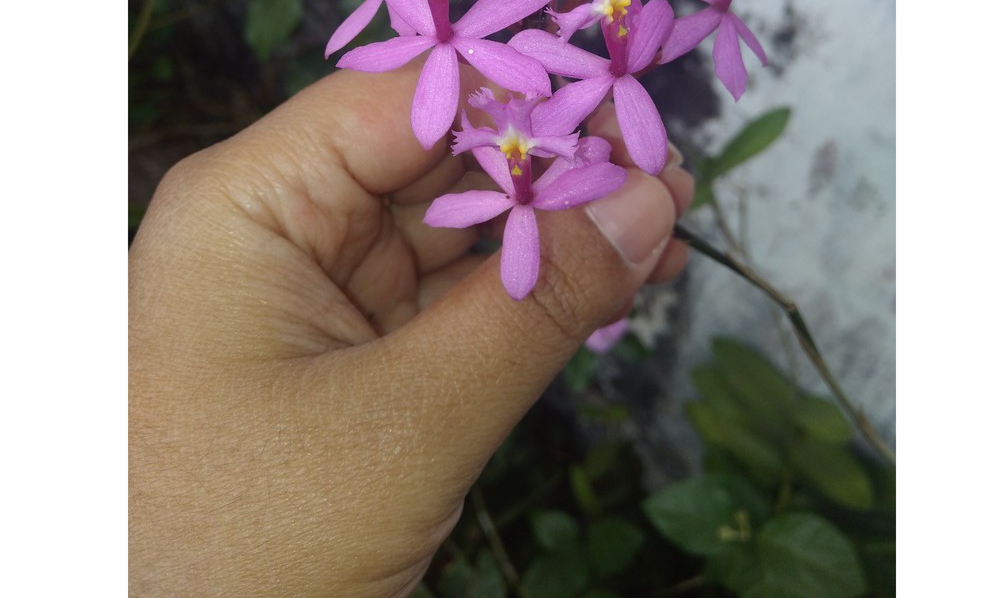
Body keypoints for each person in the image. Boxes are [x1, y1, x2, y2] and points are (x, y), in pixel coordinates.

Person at [129, 60, 693, 597]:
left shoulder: (524, 168)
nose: (514, 151)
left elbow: (589, 159)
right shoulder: (480, 191)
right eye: (506, 147)